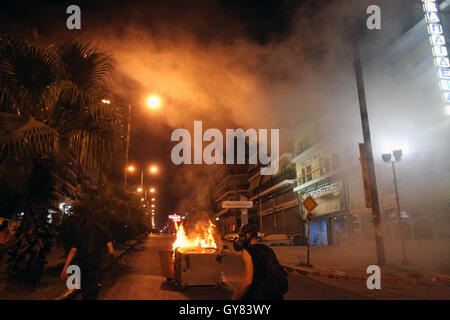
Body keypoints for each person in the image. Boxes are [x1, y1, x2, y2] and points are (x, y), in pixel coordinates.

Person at [60, 214, 115, 300]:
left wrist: (65, 268)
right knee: (92, 293)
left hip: (82, 267)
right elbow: (111, 250)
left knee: (84, 292)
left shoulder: (81, 231)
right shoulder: (103, 231)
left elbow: (73, 250)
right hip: (95, 268)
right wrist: (111, 263)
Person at [232, 224, 288, 300]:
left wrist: (235, 297)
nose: (239, 239)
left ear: (248, 235)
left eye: (241, 236)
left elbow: (247, 281)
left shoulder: (247, 252)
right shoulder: (268, 250)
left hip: (259, 295)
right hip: (276, 295)